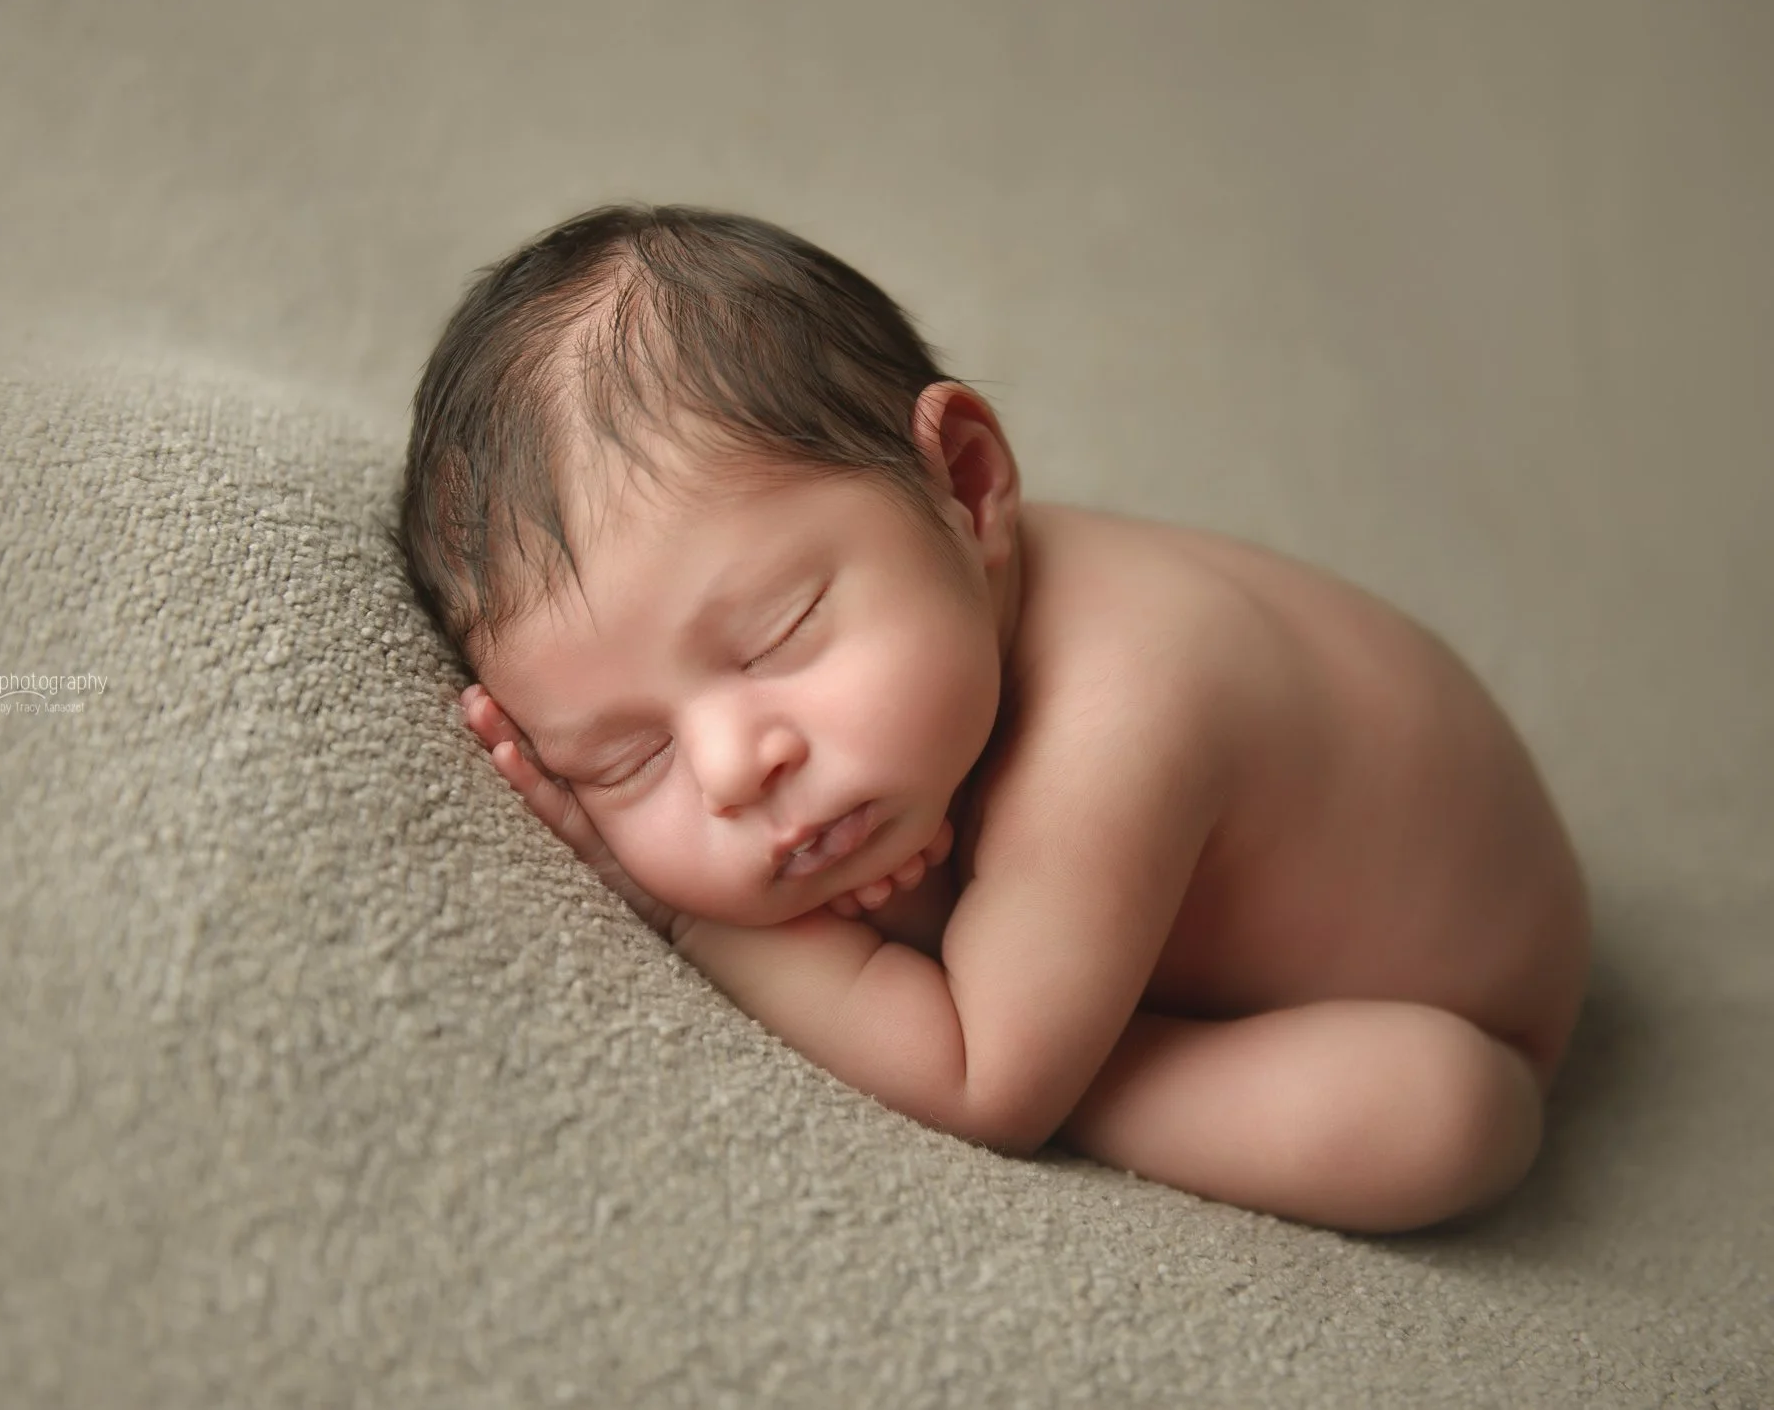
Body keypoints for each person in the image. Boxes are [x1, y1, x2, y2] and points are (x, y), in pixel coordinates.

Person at [395, 203, 1591, 1234]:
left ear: (966, 485)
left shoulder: (1127, 707)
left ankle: (1093, 1046)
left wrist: (696, 921)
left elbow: (976, 1078)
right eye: (626, 758)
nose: (731, 769)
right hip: (1148, 900)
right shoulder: (929, 643)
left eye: (776, 637)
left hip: (1449, 999)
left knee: (1442, 1118)